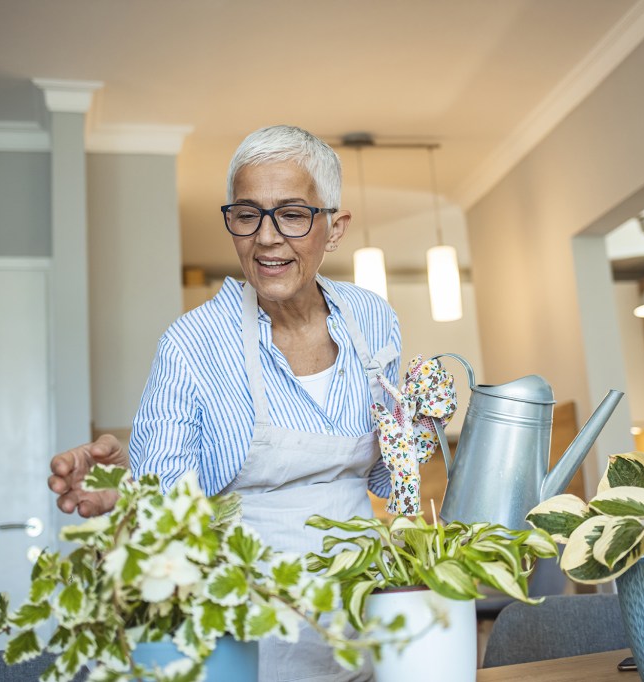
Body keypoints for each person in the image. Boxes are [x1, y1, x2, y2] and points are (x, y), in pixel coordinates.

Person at [49, 124, 400, 681]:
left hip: (367, 613)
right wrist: (124, 493)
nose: (266, 237)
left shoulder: (374, 319)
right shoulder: (191, 345)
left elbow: (390, 467)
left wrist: (418, 429)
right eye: (246, 214)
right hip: (244, 627)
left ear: (334, 227)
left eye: (291, 213)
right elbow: (162, 505)